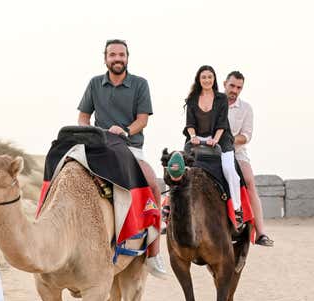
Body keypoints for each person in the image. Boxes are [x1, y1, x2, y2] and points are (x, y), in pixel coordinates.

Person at [77, 39, 167, 278]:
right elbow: (83, 117)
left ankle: (154, 253)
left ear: (127, 57)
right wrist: (92, 132)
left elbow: (142, 120)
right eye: (112, 55)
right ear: (105, 58)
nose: (117, 59)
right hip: (100, 145)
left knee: (152, 185)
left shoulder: (139, 84)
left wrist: (125, 130)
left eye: (121, 55)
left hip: (130, 146)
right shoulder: (94, 83)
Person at [183, 65, 243, 224]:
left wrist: (215, 140)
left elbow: (222, 123)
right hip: (197, 138)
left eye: (210, 77)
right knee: (181, 168)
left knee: (229, 169)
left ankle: (237, 208)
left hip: (221, 139)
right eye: (203, 77)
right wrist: (193, 136)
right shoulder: (192, 99)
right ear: (199, 79)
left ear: (214, 79)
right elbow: (190, 124)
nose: (207, 80)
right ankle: (170, 206)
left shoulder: (221, 98)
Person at [224, 71, 273, 246]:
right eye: (232, 86)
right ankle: (170, 217)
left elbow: (246, 136)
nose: (235, 90)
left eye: (239, 87)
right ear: (224, 83)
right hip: (211, 149)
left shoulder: (246, 108)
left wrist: (229, 140)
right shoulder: (214, 102)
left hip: (236, 151)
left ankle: (261, 232)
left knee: (249, 181)